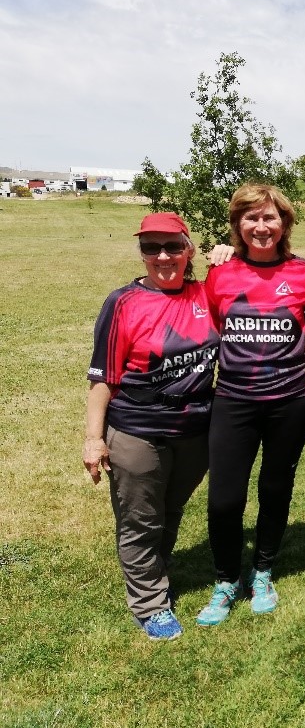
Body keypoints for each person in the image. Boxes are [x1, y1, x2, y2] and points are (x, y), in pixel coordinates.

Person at [84, 212, 219, 641]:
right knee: (140, 518)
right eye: (150, 248)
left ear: (189, 249)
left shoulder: (205, 293)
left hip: (195, 429)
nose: (162, 256)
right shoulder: (123, 302)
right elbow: (104, 376)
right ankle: (150, 603)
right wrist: (93, 438)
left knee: (169, 510)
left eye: (172, 246)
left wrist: (228, 256)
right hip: (138, 428)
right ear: (141, 253)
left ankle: (154, 573)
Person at [195, 184, 305, 627]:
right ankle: (227, 579)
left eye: (270, 218)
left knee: (275, 486)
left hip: (291, 400)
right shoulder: (220, 272)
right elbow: (211, 321)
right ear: (238, 224)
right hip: (233, 400)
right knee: (225, 499)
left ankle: (263, 571)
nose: (261, 226)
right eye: (251, 218)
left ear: (284, 223)